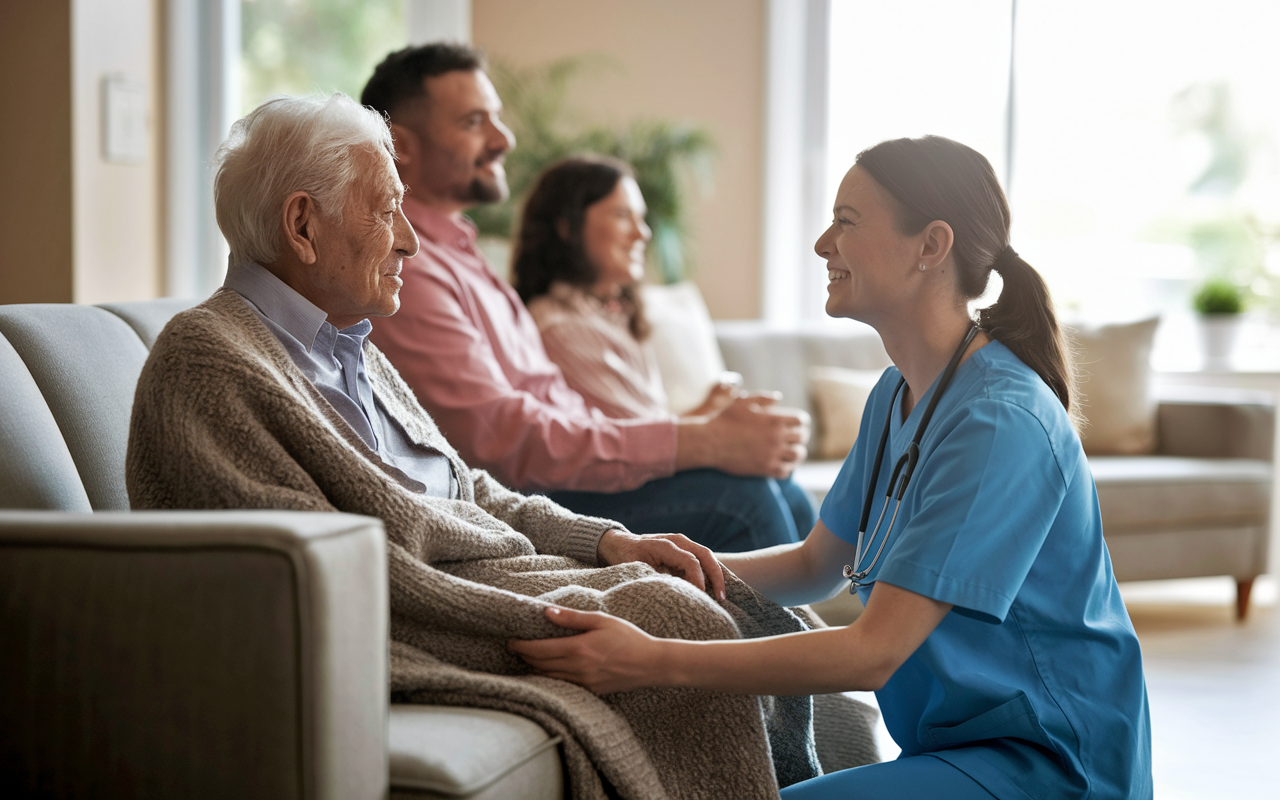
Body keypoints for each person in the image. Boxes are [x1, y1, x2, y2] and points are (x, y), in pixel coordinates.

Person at [125, 92, 877, 799]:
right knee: (676, 615)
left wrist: (607, 541)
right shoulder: (208, 361)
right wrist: (537, 613)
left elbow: (469, 489)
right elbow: (319, 573)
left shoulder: (353, 347)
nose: (410, 241)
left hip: (494, 571)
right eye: (388, 210)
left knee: (729, 604)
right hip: (424, 613)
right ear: (301, 225)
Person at [510, 136, 1154, 799]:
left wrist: (650, 661)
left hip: (1052, 763)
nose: (823, 243)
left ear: (931, 246)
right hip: (964, 749)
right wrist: (652, 568)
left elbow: (873, 652)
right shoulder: (897, 392)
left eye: (846, 222)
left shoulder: (999, 420)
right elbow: (817, 563)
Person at [360, 43, 814, 553]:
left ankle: (837, 635)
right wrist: (703, 440)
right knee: (746, 500)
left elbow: (564, 410)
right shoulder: (408, 268)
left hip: (558, 481)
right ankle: (798, 636)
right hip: (524, 501)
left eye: (497, 119)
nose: (504, 139)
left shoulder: (463, 255)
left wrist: (701, 430)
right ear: (401, 146)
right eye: (473, 122)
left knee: (784, 492)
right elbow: (498, 439)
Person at [509, 153, 814, 544]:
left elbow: (645, 431)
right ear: (567, 227)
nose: (643, 233)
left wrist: (712, 414)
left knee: (784, 487)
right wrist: (718, 426)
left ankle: (810, 604)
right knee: (748, 498)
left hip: (626, 478)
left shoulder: (609, 315)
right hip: (585, 495)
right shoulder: (562, 329)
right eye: (622, 216)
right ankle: (786, 606)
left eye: (641, 217)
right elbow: (635, 451)